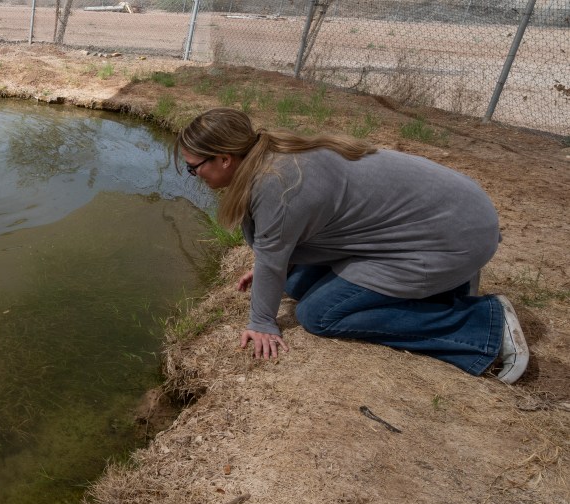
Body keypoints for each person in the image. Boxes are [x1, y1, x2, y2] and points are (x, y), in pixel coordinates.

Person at [175, 108, 528, 383]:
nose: (195, 176)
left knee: (319, 315)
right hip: (445, 223)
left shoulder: (278, 184)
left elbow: (273, 252)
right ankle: (447, 289)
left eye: (194, 168)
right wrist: (273, 265)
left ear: (224, 158)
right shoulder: (271, 155)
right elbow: (279, 251)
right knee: (296, 283)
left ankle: (484, 326)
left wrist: (262, 322)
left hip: (448, 238)